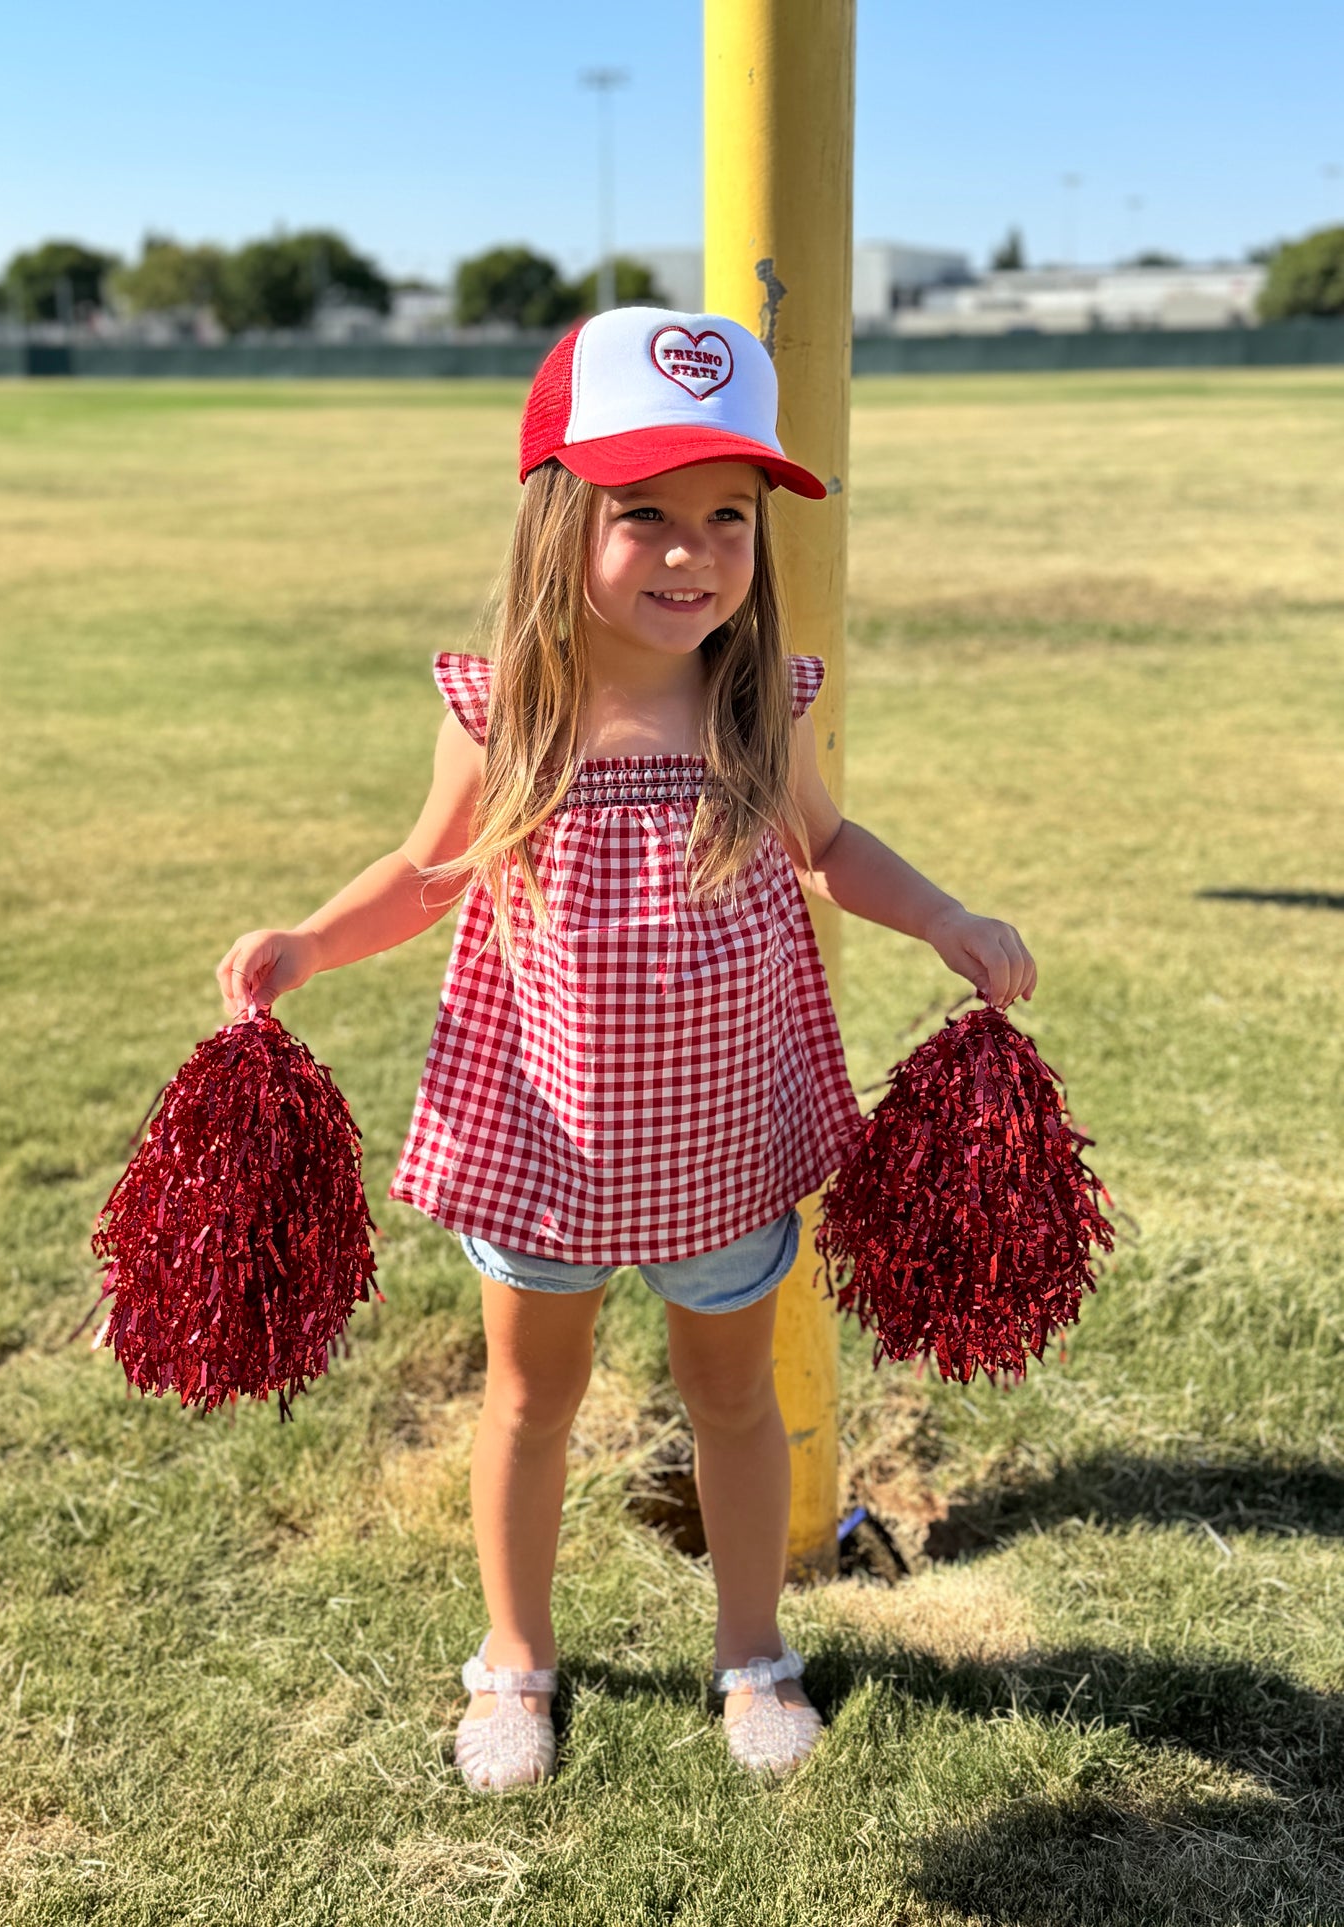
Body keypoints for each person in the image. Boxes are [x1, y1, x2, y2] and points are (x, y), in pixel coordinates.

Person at [215, 308, 1036, 1792]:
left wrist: (949, 919)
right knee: (530, 1400)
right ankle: (515, 1660)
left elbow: (831, 848)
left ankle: (750, 1652)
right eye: (641, 513)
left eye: (726, 516)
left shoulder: (749, 703)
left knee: (730, 1398)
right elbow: (422, 873)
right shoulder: (507, 708)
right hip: (545, 1142)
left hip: (723, 1137)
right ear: (553, 519)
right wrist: (306, 944)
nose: (690, 552)